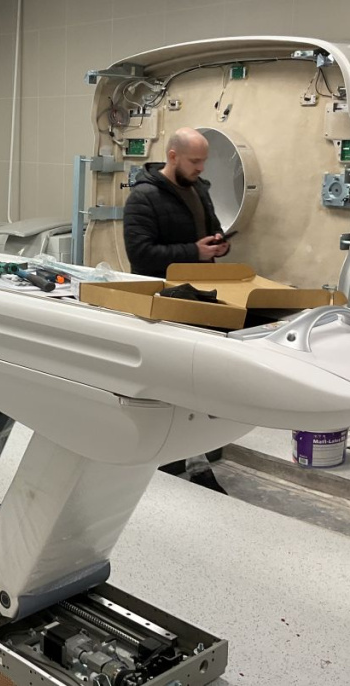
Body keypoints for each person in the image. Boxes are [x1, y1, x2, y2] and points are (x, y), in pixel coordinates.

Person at [122, 127, 230, 494]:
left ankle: (196, 462)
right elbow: (141, 255)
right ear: (172, 156)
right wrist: (194, 252)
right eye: (195, 161)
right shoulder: (143, 198)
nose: (201, 168)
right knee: (168, 387)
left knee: (198, 387)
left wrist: (218, 246)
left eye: (203, 160)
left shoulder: (200, 190)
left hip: (200, 300)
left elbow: (212, 231)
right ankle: (164, 460)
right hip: (164, 305)